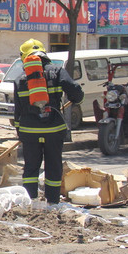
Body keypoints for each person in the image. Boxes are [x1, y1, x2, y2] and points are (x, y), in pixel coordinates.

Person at [13, 39, 83, 208]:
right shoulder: (57, 71)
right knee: (53, 165)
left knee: (30, 167)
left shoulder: (20, 79)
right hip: (54, 129)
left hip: (29, 130)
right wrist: (74, 98)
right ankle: (52, 202)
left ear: (24, 57)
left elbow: (18, 111)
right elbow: (75, 92)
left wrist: (20, 131)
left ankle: (30, 202)